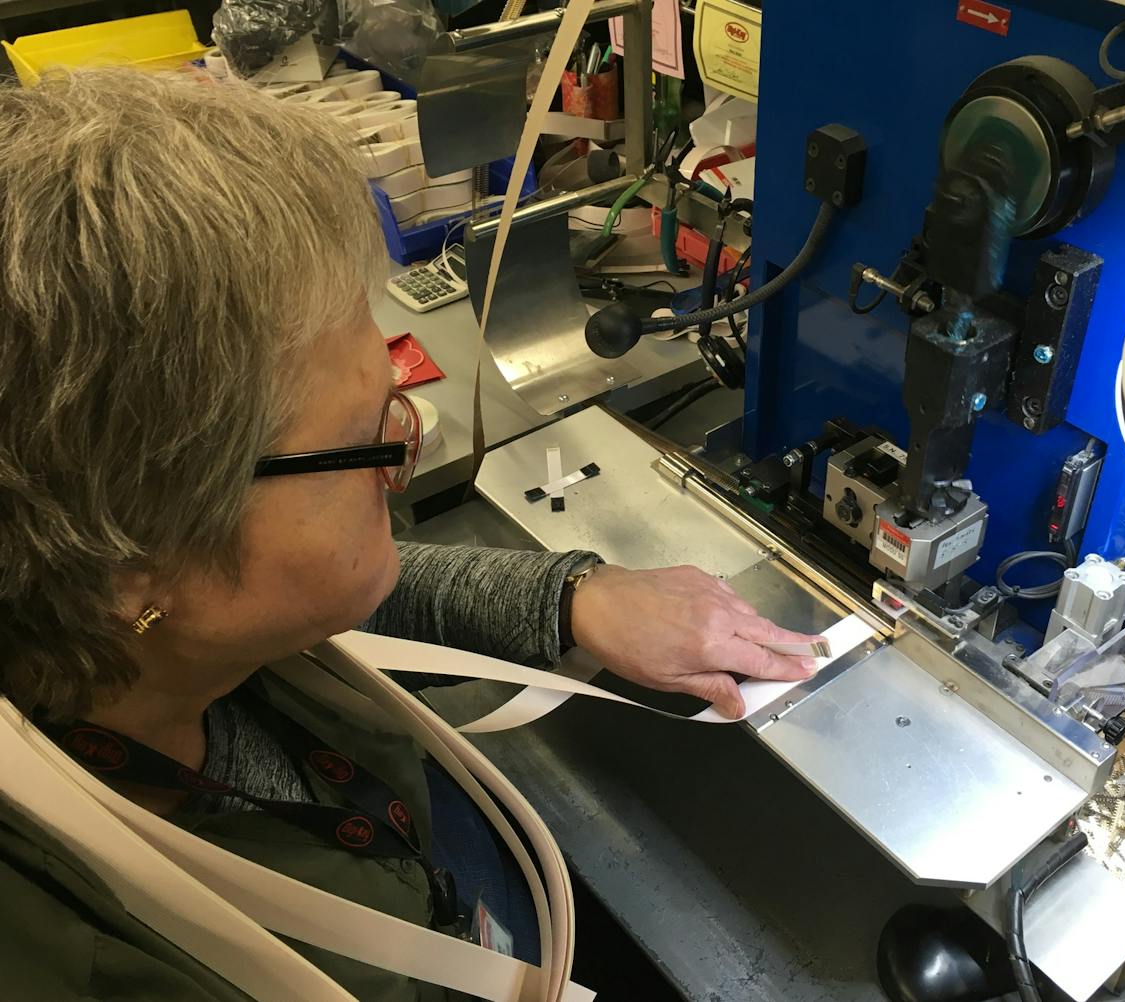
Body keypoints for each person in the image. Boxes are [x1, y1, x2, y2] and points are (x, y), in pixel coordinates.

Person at [0, 68, 823, 1000]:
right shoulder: (103, 962)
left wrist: (567, 594)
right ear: (128, 564)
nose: (411, 440)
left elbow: (337, 596)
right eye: (362, 437)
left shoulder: (148, 646)